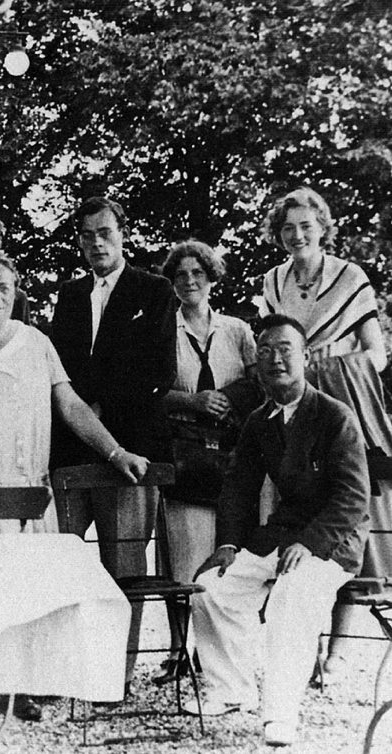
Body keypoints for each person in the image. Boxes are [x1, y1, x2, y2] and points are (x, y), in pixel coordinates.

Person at [0, 251, 149, 724]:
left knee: (23, 597)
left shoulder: (37, 343)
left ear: (16, 293)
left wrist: (116, 453)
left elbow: (71, 405)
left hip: (22, 496)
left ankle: (21, 690)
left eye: (4, 287)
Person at [185, 315, 368, 747]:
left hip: (332, 543)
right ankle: (232, 691)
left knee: (291, 596)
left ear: (306, 357)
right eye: (264, 350)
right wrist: (228, 545)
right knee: (209, 588)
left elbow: (353, 498)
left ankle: (280, 715)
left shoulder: (334, 416)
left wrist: (310, 544)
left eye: (285, 349)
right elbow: (238, 488)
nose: (274, 359)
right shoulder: (259, 420)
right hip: (281, 537)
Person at [259, 186, 392, 682]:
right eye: (288, 227)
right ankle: (304, 649)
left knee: (348, 508)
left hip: (343, 400)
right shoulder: (274, 280)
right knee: (298, 508)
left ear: (323, 227)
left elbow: (377, 353)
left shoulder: (350, 277)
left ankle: (337, 653)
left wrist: (336, 369)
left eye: (306, 226)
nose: (297, 235)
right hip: (293, 399)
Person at [50, 196, 176, 686]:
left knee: (124, 565)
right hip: (72, 451)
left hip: (131, 450)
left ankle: (114, 673)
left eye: (105, 232)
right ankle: (66, 670)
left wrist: (101, 409)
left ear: (123, 233)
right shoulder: (70, 295)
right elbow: (60, 367)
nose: (96, 242)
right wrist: (80, 417)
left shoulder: (155, 290)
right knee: (63, 560)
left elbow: (157, 373)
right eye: (86, 235)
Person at [155, 240, 259, 685]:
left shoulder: (236, 330)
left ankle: (228, 653)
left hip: (233, 452)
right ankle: (181, 651)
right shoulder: (161, 330)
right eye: (181, 275)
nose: (190, 282)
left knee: (231, 548)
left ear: (211, 277)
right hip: (185, 450)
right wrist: (194, 401)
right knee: (181, 553)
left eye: (198, 273)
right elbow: (150, 391)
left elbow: (258, 380)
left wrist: (225, 400)